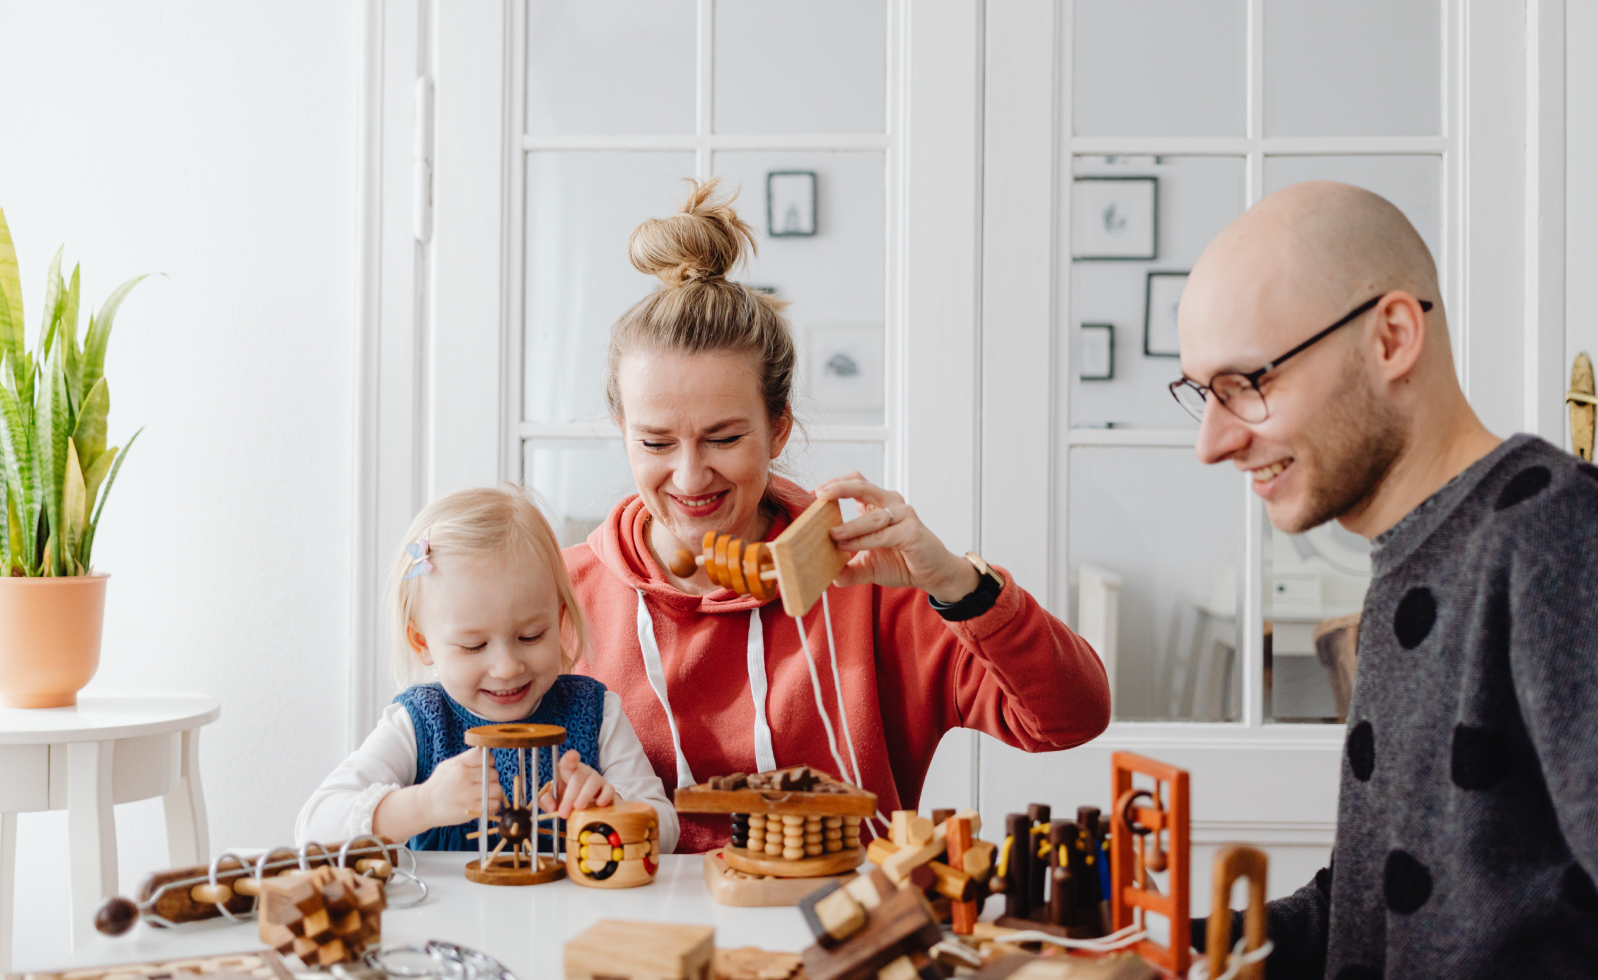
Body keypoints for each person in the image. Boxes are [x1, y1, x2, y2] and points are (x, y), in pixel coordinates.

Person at [564, 180, 1111, 853]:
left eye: (725, 438)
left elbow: (1070, 719)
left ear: (779, 429)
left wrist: (957, 585)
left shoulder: (870, 583)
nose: (688, 476)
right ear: (622, 430)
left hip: (842, 941)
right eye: (655, 443)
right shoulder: (561, 596)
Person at [1174, 181, 1598, 977]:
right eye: (1203, 393)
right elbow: (1367, 913)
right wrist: (1145, 943)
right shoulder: (1414, 558)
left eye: (1248, 384)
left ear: (1392, 337)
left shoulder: (1555, 534)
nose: (1212, 443)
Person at [298, 486, 677, 853]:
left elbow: (667, 830)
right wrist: (424, 804)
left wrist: (612, 812)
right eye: (473, 646)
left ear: (560, 621)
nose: (507, 667)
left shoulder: (596, 712)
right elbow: (314, 828)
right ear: (423, 643)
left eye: (531, 636)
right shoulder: (418, 724)